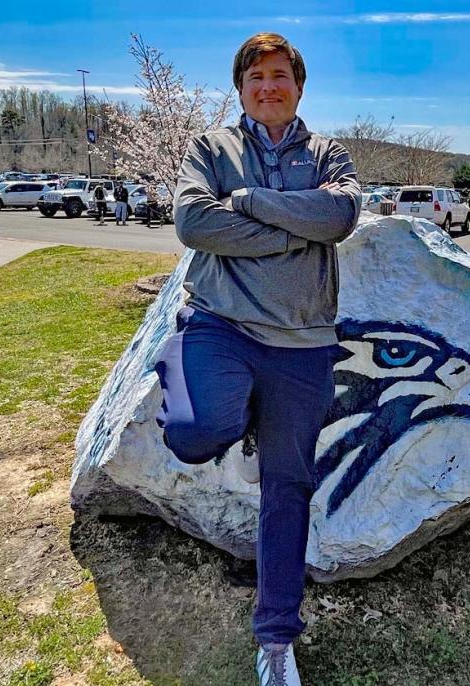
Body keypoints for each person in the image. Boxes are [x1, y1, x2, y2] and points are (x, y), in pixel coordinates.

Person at [155, 33, 360, 686]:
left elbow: (339, 217)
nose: (267, 87)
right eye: (254, 78)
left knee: (286, 489)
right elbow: (192, 225)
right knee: (195, 431)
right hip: (222, 327)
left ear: (298, 86)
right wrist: (292, 232)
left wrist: (248, 204)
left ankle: (275, 639)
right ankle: (207, 394)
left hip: (302, 348)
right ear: (240, 89)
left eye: (279, 76)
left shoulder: (329, 153)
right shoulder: (210, 149)